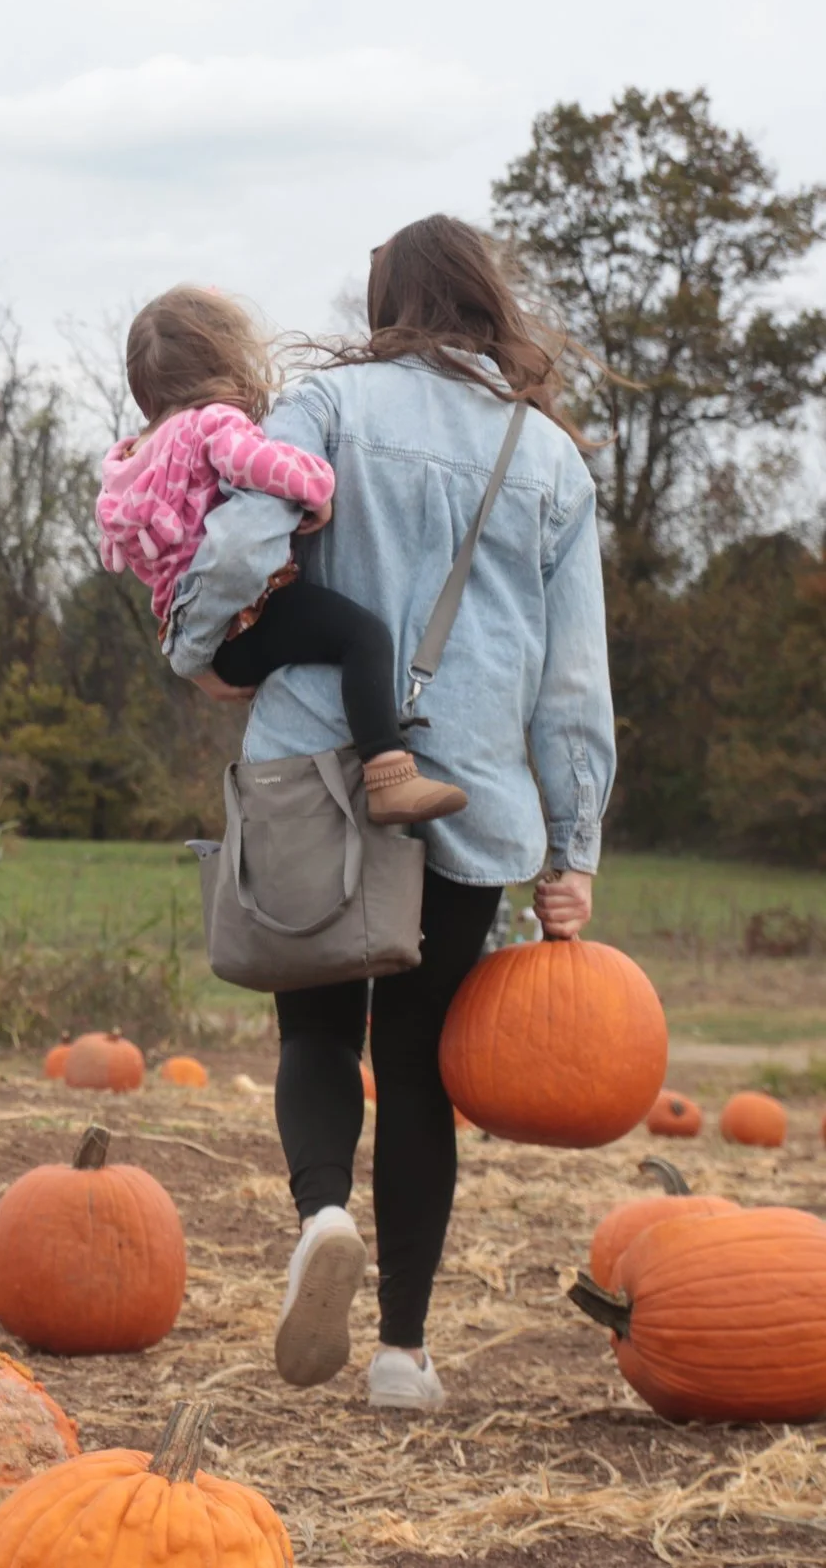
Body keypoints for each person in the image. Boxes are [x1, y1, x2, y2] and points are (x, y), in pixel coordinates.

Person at [167, 215, 613, 1414]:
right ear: (485, 302)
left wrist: (203, 649)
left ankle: (321, 1212)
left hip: (314, 764)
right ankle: (403, 1355)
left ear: (385, 305)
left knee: (316, 1034)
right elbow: (573, 686)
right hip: (466, 790)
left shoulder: (324, 406)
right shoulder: (553, 460)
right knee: (415, 1067)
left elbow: (243, 534)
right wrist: (573, 849)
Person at [100, 287, 466, 826]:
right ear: (223, 360)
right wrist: (316, 489)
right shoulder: (212, 422)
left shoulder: (127, 461)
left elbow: (128, 551)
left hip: (210, 643)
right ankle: (389, 774)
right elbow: (260, 464)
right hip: (253, 611)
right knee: (363, 637)